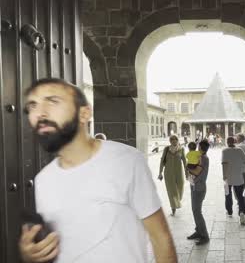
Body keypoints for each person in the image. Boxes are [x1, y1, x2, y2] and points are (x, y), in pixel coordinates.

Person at [18, 78, 176, 263]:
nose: (40, 113)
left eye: (53, 101)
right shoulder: (43, 181)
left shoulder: (126, 161)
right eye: (32, 105)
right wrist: (30, 255)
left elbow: (161, 239)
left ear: (84, 114)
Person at [186, 139, 210, 245]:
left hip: (199, 188)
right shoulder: (200, 157)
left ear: (200, 148)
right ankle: (198, 231)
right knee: (195, 210)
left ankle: (204, 235)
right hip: (195, 186)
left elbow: (196, 171)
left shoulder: (203, 158)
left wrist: (187, 167)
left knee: (197, 211)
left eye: (198, 146)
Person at [159, 135, 188, 216]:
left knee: (180, 189)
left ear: (177, 140)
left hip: (179, 172)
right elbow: (162, 161)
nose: (174, 141)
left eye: (175, 140)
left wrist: (187, 172)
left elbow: (185, 161)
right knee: (171, 192)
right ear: (170, 141)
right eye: (172, 140)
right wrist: (160, 172)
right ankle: (173, 208)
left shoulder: (181, 149)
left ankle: (176, 202)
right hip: (168, 173)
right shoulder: (166, 149)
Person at [221, 137, 245, 225]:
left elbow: (224, 164)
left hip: (228, 177)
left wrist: (224, 175)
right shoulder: (239, 150)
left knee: (228, 194)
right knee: (240, 196)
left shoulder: (225, 151)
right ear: (234, 142)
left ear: (227, 142)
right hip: (239, 177)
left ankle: (229, 211)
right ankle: (242, 212)